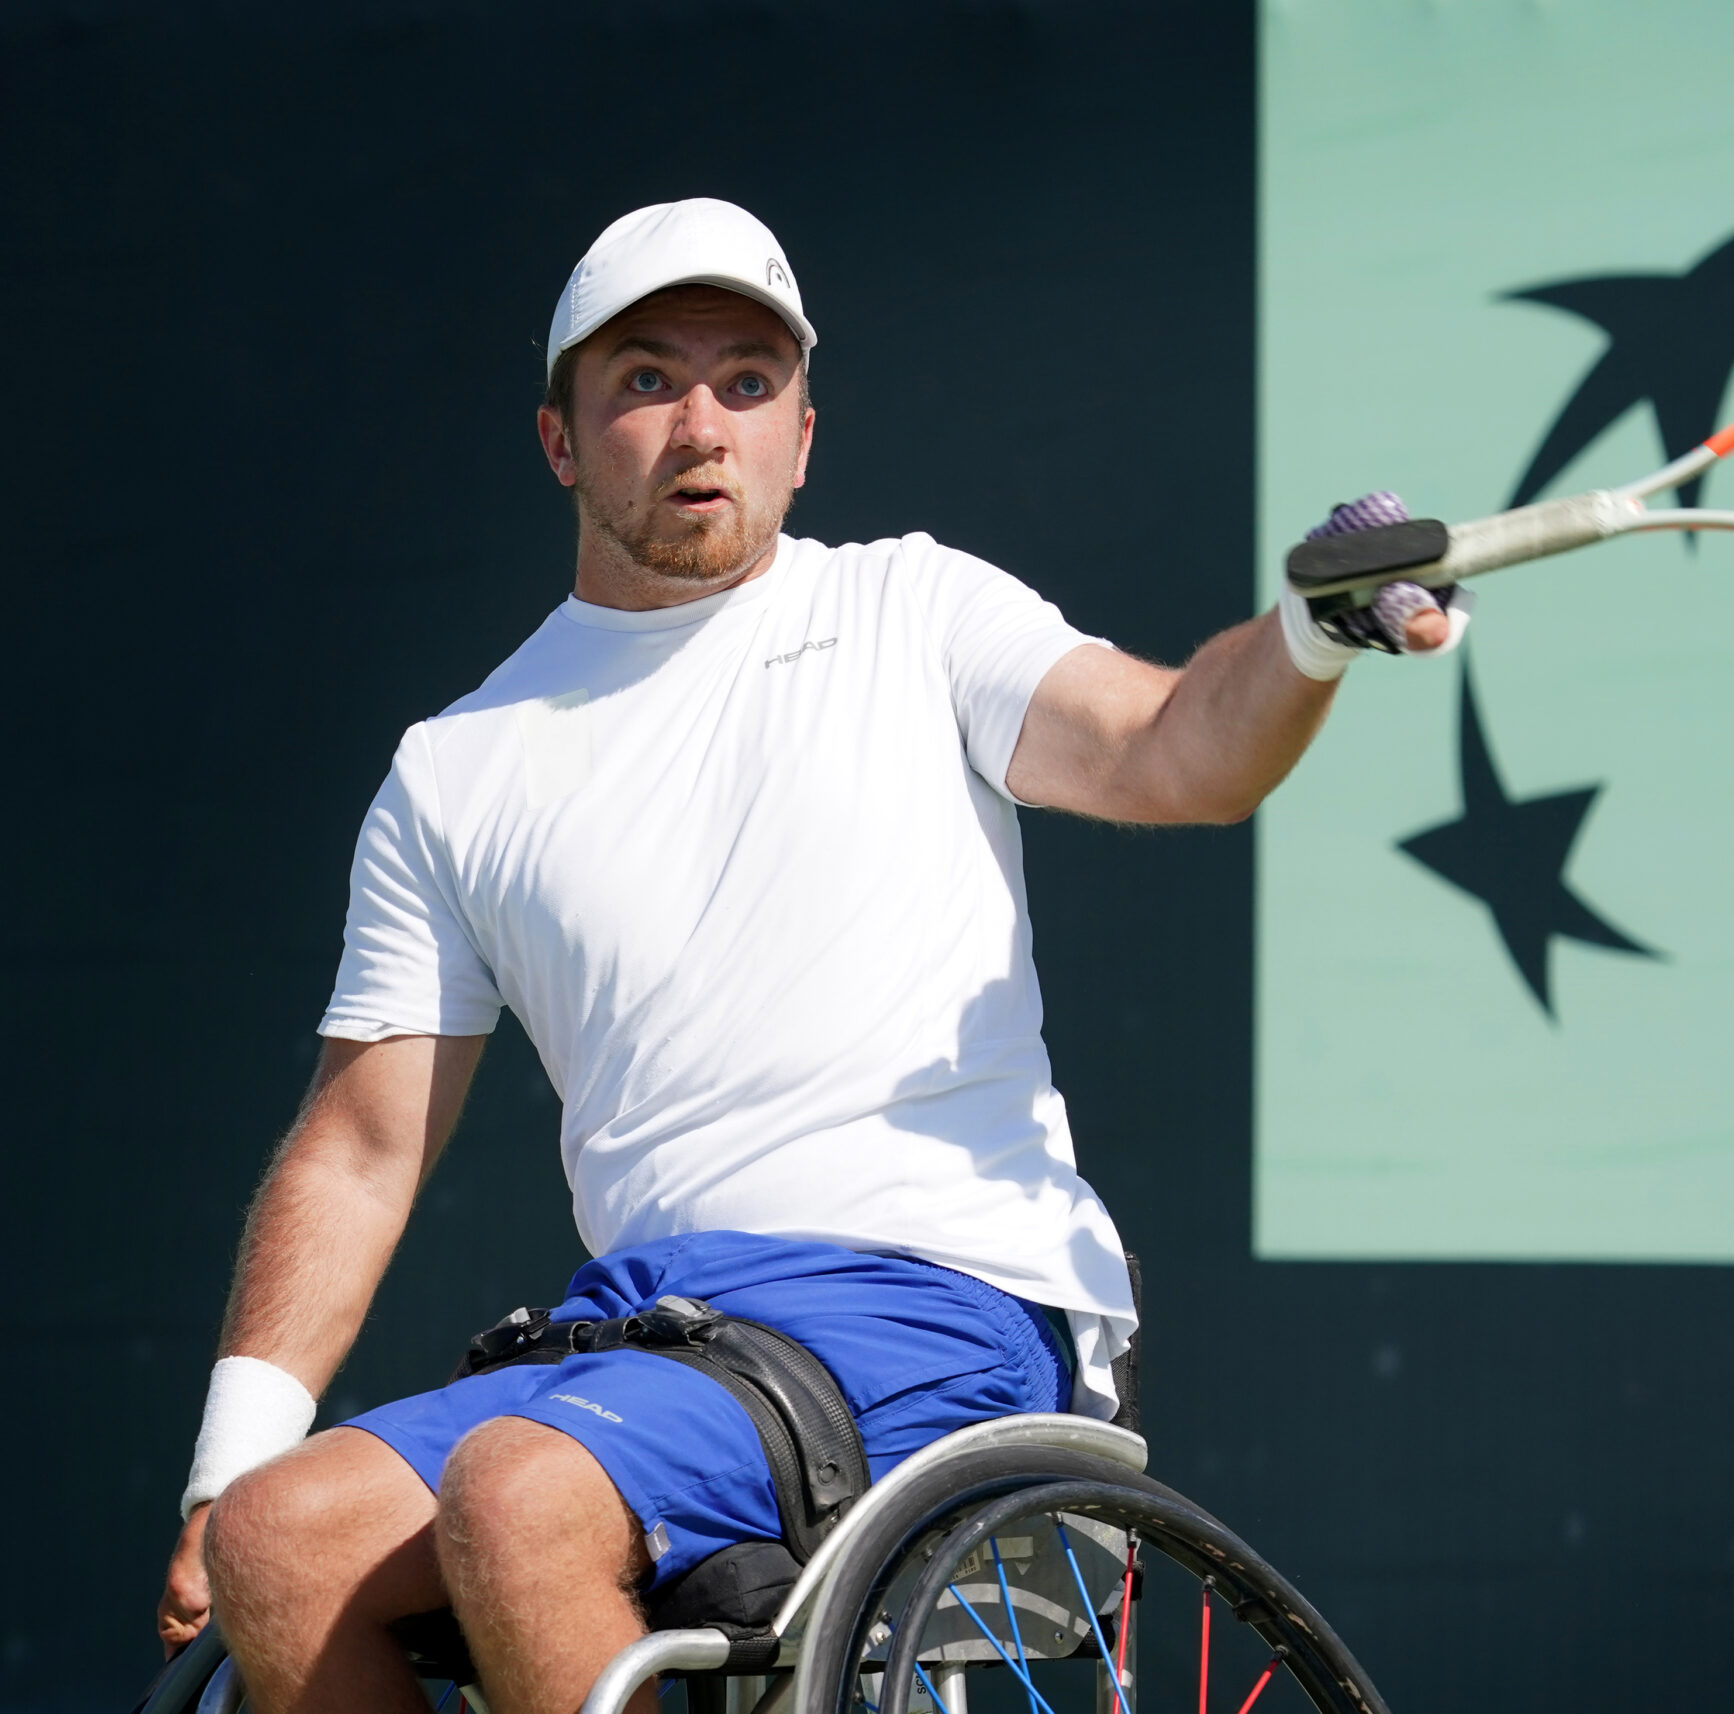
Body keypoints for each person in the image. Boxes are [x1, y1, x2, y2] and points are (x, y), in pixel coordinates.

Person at [152, 199, 1460, 1714]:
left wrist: (1305, 637)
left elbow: (1177, 749)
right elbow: (360, 1149)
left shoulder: (916, 608)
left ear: (803, 436)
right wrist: (227, 1464)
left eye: (748, 381)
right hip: (656, 1337)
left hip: (941, 1305)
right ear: (561, 439)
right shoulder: (454, 769)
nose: (701, 423)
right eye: (648, 379)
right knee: (280, 1541)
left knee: (520, 1494)